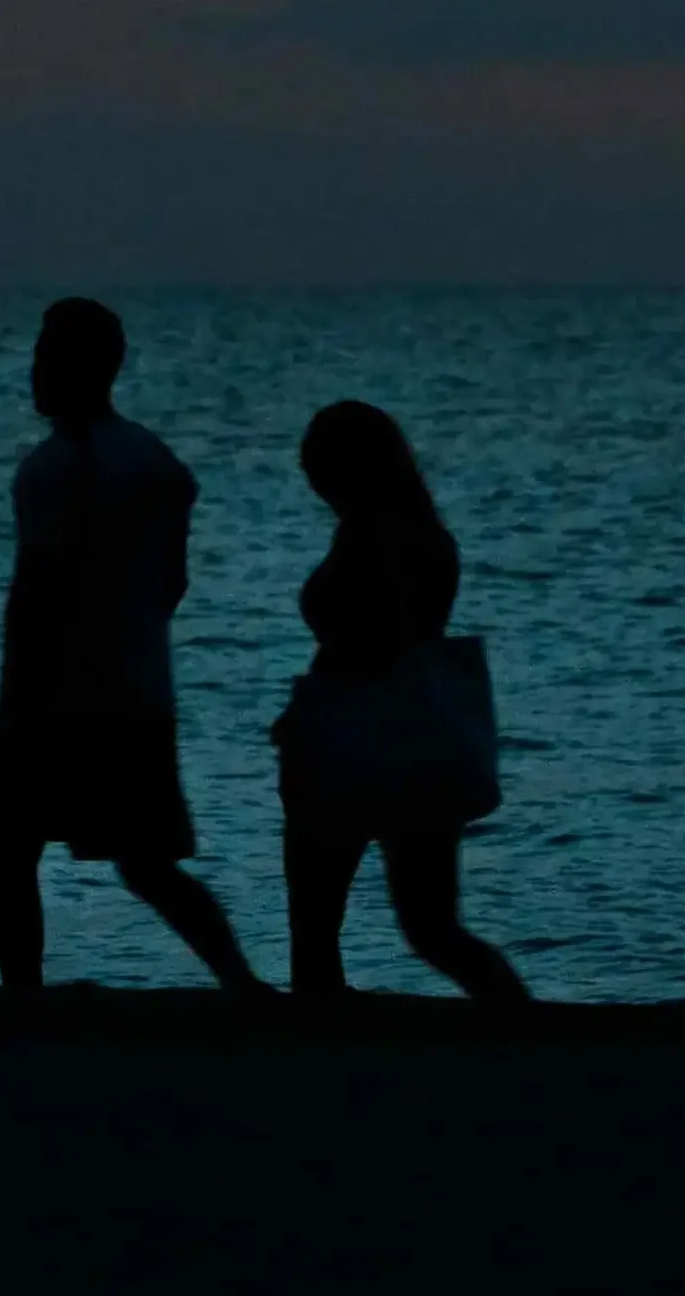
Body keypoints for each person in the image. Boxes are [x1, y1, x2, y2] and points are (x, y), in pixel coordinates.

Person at [0, 298, 263, 994]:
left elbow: (37, 592)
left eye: (48, 355)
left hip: (55, 695)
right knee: (146, 861)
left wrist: (19, 695)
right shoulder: (156, 462)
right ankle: (240, 980)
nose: (36, 370)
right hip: (139, 689)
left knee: (10, 848)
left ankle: (23, 998)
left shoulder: (50, 470)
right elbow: (172, 584)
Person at [274, 400, 529, 1003]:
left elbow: (372, 639)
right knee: (432, 926)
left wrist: (306, 714)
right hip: (420, 739)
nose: (313, 482)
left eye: (319, 468)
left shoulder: (371, 537)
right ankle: (522, 1022)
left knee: (317, 926)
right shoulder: (428, 536)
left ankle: (319, 1040)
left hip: (350, 739)